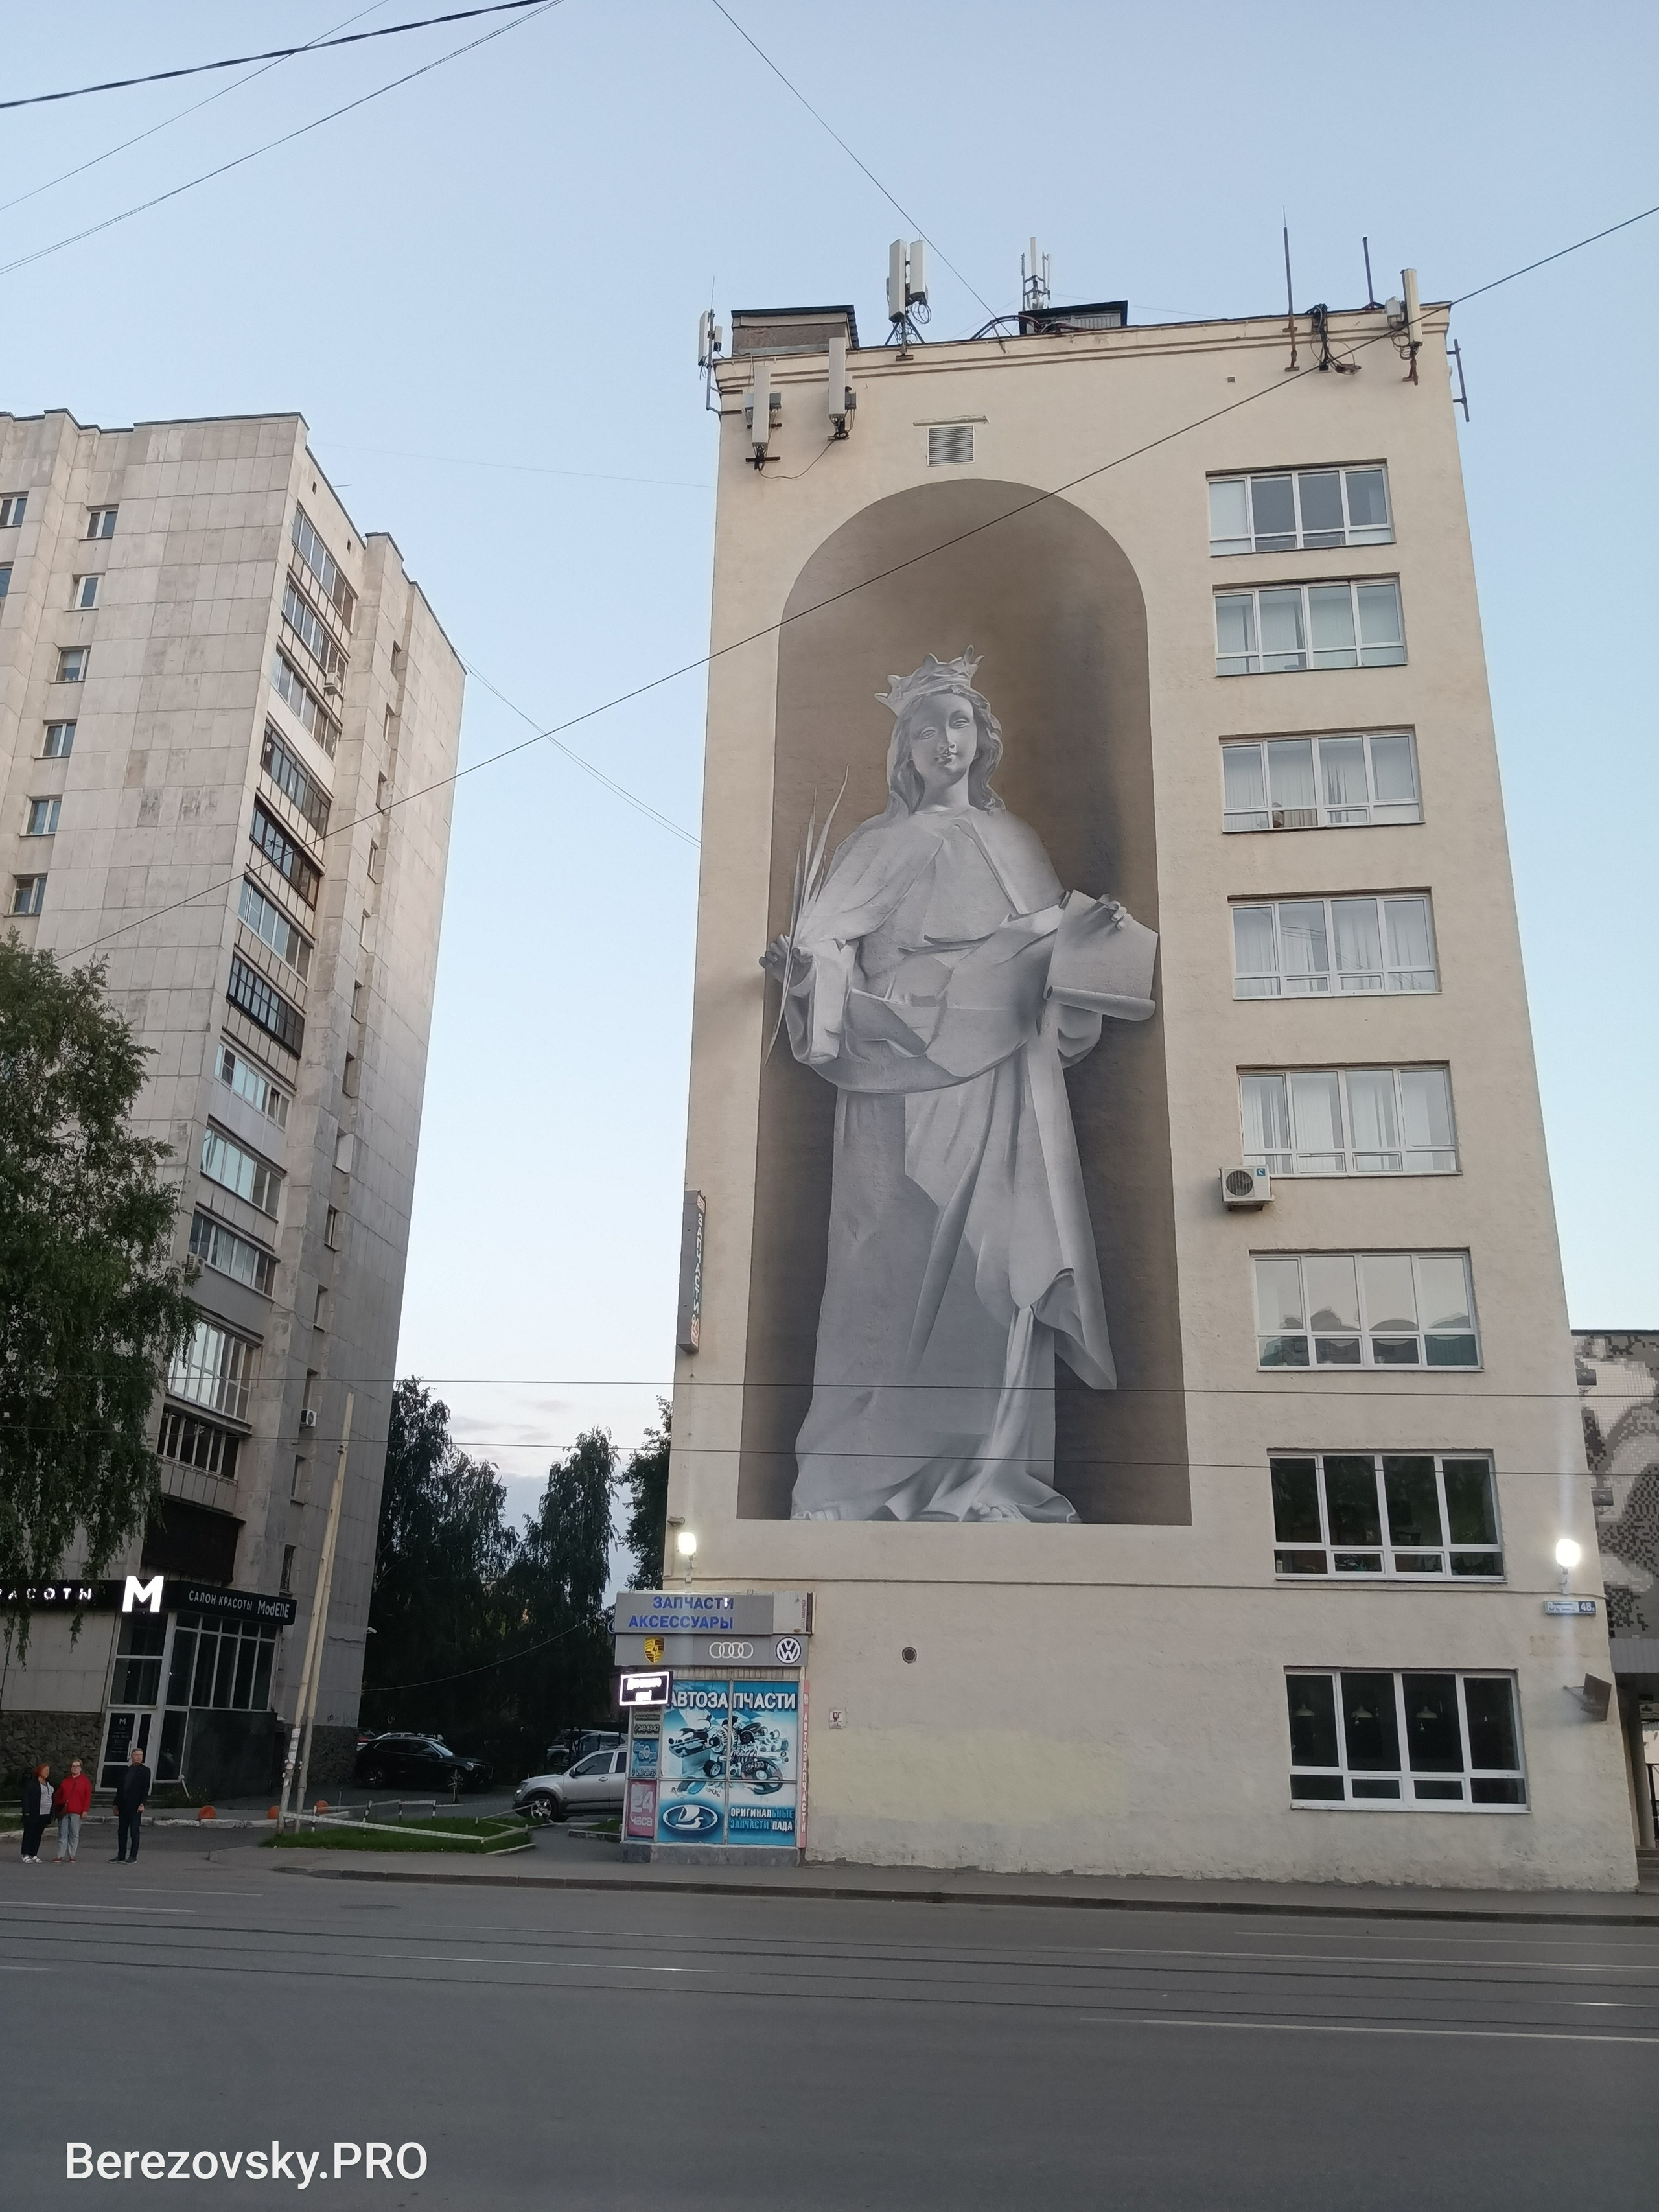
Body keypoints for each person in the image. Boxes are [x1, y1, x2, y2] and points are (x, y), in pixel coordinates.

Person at [765, 651, 1157, 1523]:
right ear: (904, 749)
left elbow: (1059, 975)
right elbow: (824, 949)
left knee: (993, 1283)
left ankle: (984, 1480)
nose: (948, 740)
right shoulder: (879, 842)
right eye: (928, 726)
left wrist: (1091, 942)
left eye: (960, 722)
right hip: (892, 1077)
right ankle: (861, 1479)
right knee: (883, 1277)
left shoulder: (1016, 844)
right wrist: (804, 974)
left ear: (983, 739)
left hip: (998, 1091)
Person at [113, 1745, 151, 1861]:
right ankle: (121, 1855)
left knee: (134, 1832)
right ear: (132, 1757)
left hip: (135, 1807)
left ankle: (133, 1856)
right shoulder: (126, 1770)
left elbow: (146, 1789)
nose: (139, 1757)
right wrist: (116, 1804)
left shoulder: (145, 1771)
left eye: (141, 1755)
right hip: (123, 1806)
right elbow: (120, 1788)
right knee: (122, 1831)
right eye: (137, 1755)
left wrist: (142, 1803)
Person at [54, 1757, 92, 1863]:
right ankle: (60, 1855)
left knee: (74, 1834)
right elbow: (58, 1795)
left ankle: (72, 1855)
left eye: (77, 1766)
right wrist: (58, 1806)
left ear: (81, 1768)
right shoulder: (66, 1781)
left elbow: (87, 1796)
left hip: (77, 1811)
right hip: (65, 1811)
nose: (75, 1768)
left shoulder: (85, 1781)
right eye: (73, 1766)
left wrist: (85, 1810)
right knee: (63, 1833)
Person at [19, 1764, 52, 1861]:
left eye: (48, 1771)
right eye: (45, 1771)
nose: (47, 1773)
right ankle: (25, 1853)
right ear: (39, 1771)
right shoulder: (31, 1784)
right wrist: (26, 1811)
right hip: (33, 1812)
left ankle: (34, 1853)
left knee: (38, 1834)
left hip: (44, 1813)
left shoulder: (48, 1783)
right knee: (29, 1833)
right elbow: (26, 1797)